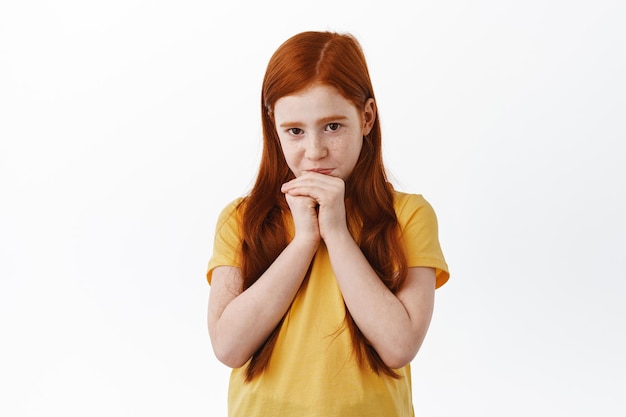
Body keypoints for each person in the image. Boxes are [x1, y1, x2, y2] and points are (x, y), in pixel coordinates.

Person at [206, 31, 450, 417]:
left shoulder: (409, 215)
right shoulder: (241, 217)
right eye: (295, 131)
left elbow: (400, 344)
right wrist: (304, 241)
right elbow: (228, 347)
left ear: (366, 117)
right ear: (274, 126)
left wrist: (336, 232)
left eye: (333, 127)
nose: (315, 151)